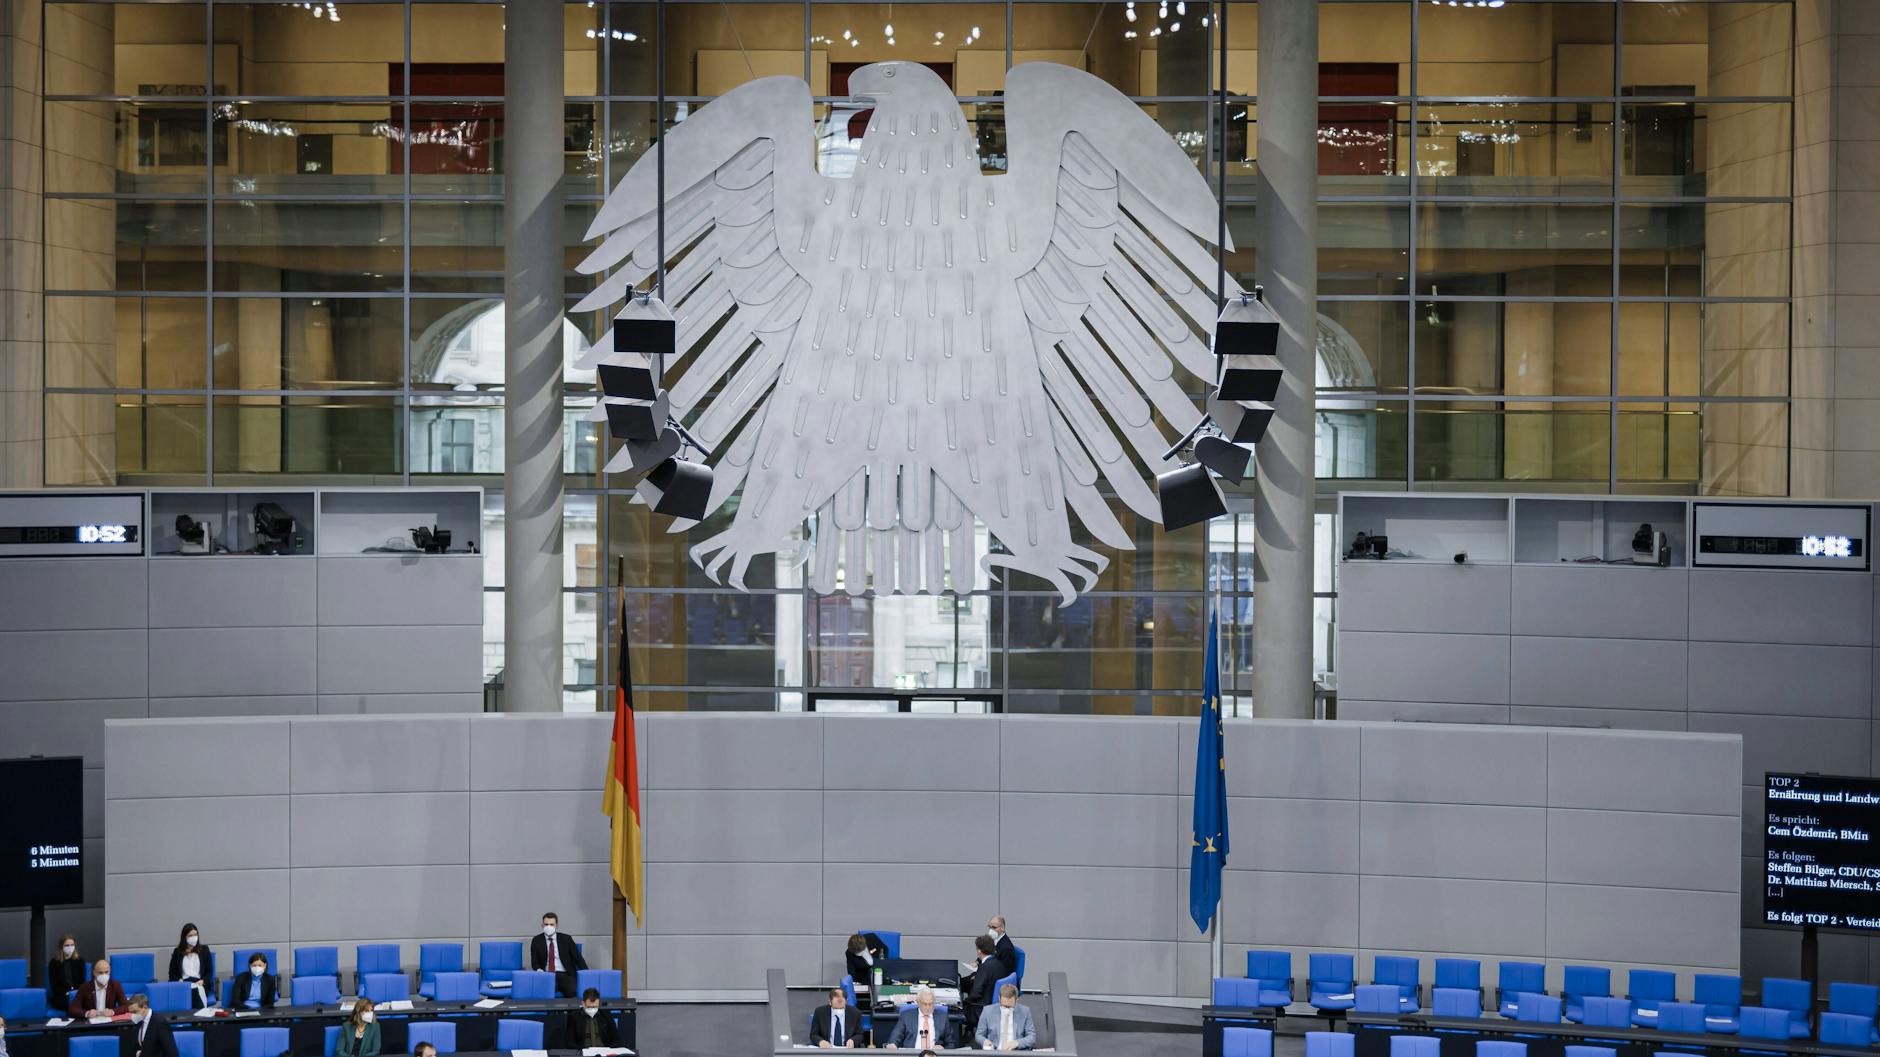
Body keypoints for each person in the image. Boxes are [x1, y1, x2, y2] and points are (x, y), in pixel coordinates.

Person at [530, 912, 588, 998]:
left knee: (573, 991)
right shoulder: (536, 940)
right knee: (543, 993)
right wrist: (539, 970)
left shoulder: (566, 938)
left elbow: (578, 959)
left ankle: (571, 1012)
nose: (549, 927)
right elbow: (534, 962)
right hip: (547, 975)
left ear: (556, 925)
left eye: (551, 924)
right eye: (546, 924)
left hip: (565, 975)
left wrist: (587, 975)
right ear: (542, 925)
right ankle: (549, 1011)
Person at [960, 934, 1006, 1032]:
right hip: (992, 1005)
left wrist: (961, 1003)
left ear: (979, 951)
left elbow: (976, 993)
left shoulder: (984, 967)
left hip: (981, 1009)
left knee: (954, 1010)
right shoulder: (999, 963)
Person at [886, 987, 955, 1050]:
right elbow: (895, 1037)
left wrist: (942, 1049)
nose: (928, 1007)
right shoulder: (906, 1016)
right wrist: (892, 1045)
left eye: (930, 1004)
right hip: (912, 1055)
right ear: (918, 1002)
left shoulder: (942, 1017)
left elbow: (951, 1043)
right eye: (924, 1004)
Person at [974, 984, 1036, 1051]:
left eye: (1010, 1007)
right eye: (1004, 1006)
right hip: (995, 1051)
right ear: (999, 999)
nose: (1007, 1009)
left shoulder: (1025, 1012)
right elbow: (979, 1035)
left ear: (1016, 1000)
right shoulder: (987, 1011)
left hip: (1017, 1052)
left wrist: (1017, 1043)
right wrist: (985, 1041)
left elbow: (1032, 1037)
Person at [166, 924, 213, 1009]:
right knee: (189, 992)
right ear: (184, 937)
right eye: (190, 935)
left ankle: (196, 1017)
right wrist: (178, 980)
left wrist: (203, 981)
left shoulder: (204, 950)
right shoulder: (177, 952)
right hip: (183, 983)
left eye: (195, 934)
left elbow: (209, 971)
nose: (194, 937)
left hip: (199, 983)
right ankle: (198, 1016)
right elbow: (172, 973)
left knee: (194, 992)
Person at [46, 935, 86, 1014]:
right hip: (61, 995)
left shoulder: (80, 961)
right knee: (66, 1002)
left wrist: (75, 992)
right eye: (67, 945)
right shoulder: (54, 962)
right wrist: (67, 992)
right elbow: (54, 984)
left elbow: (82, 981)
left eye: (72, 945)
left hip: (77, 994)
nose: (70, 947)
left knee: (85, 1000)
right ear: (61, 947)